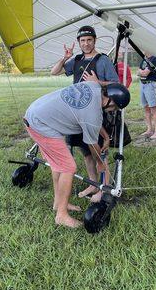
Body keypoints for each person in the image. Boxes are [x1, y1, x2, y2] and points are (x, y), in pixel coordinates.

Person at [24, 80, 130, 228]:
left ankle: (58, 202)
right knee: (68, 167)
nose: (112, 111)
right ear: (111, 102)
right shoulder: (94, 115)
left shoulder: (94, 87)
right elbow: (92, 144)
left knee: (58, 165)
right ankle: (61, 215)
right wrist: (100, 164)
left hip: (33, 113)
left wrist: (105, 137)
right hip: (41, 124)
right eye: (114, 108)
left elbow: (90, 118)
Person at [51, 25, 119, 201]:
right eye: (83, 40)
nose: (86, 43)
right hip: (76, 112)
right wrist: (65, 58)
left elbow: (116, 84)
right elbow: (54, 71)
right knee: (86, 151)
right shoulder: (77, 59)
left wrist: (98, 82)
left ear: (95, 41)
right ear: (79, 42)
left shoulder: (102, 60)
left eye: (89, 40)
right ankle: (92, 184)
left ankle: (104, 189)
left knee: (99, 151)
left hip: (95, 112)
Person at [137, 52, 156, 139]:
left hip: (150, 85)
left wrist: (141, 72)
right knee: (146, 108)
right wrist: (141, 72)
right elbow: (138, 71)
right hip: (142, 84)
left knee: (153, 108)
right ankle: (149, 129)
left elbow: (145, 73)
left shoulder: (154, 59)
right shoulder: (144, 59)